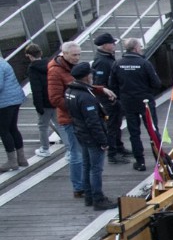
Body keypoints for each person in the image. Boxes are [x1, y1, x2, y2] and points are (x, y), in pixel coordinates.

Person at [64, 62, 113, 210]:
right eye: (90, 74)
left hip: (80, 133)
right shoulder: (86, 97)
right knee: (96, 169)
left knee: (86, 165)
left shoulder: (70, 92)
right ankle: (98, 198)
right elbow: (93, 122)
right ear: (86, 77)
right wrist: (103, 141)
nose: (92, 76)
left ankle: (89, 197)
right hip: (91, 136)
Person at [110, 37, 162, 172]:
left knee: (134, 133)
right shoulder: (144, 63)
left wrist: (122, 96)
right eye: (140, 46)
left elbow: (112, 85)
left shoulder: (117, 64)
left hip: (128, 102)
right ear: (136, 48)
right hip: (145, 101)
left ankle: (140, 162)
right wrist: (147, 93)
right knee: (153, 130)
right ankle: (160, 160)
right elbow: (156, 83)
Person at [47, 42, 84, 197]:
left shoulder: (72, 68)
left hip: (80, 117)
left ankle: (83, 183)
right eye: (74, 55)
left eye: (79, 54)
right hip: (69, 118)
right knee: (76, 153)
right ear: (65, 54)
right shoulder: (56, 72)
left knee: (82, 152)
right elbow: (55, 99)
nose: (78, 58)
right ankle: (78, 186)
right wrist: (77, 106)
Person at [90, 32, 129, 164]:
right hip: (108, 100)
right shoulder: (101, 61)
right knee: (111, 126)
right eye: (112, 43)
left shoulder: (107, 57)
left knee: (117, 124)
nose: (114, 45)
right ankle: (112, 154)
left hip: (114, 97)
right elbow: (99, 82)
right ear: (106, 45)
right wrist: (108, 95)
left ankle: (119, 146)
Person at [23, 44, 57, 159]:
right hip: (55, 98)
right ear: (40, 53)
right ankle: (70, 148)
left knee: (43, 126)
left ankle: (45, 148)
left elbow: (36, 89)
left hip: (44, 102)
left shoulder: (33, 69)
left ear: (29, 56)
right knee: (61, 125)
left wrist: (38, 106)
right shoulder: (51, 63)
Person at [0, 53, 26, 172]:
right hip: (15, 99)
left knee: (4, 130)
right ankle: (21, 158)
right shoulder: (3, 61)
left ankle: (12, 161)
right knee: (13, 128)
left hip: (5, 102)